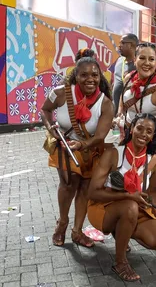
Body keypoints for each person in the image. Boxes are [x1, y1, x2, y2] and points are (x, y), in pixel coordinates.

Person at [41, 57, 113, 247]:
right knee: (68, 183)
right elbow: (45, 110)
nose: (90, 79)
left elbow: (100, 136)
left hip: (90, 149)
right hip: (65, 147)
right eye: (84, 75)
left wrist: (81, 145)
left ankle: (77, 231)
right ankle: (62, 224)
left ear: (100, 77)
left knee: (85, 189)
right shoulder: (61, 93)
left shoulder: (105, 103)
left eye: (95, 75)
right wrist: (50, 128)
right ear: (76, 76)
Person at [87, 113, 156, 282]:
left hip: (133, 208)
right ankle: (120, 261)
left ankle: (122, 230)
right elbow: (92, 192)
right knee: (130, 206)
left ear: (153, 136)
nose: (143, 134)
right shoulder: (114, 153)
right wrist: (128, 195)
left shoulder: (153, 160)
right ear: (132, 129)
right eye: (139, 128)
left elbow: (154, 191)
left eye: (149, 131)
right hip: (102, 207)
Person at [117, 43, 156, 222]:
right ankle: (125, 223)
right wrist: (120, 117)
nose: (147, 63)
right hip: (127, 143)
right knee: (124, 184)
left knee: (152, 186)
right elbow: (123, 103)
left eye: (151, 59)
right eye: (142, 58)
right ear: (134, 59)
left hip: (148, 146)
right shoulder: (129, 78)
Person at [113, 34, 139, 116]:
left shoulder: (139, 65)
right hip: (115, 115)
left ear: (131, 45)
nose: (119, 46)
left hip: (130, 116)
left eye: (122, 43)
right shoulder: (119, 61)